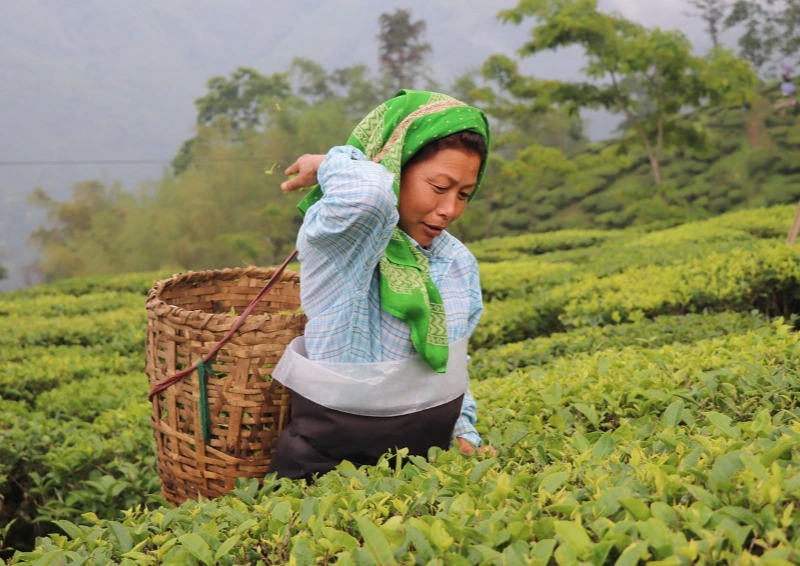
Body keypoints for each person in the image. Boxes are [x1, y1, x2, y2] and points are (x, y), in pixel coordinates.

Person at [268, 90, 496, 481]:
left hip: (419, 476)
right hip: (325, 477)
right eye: (439, 188)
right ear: (396, 166)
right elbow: (370, 197)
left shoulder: (457, 264)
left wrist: (463, 432)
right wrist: (329, 164)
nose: (450, 210)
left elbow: (450, 368)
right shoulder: (345, 244)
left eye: (464, 195)